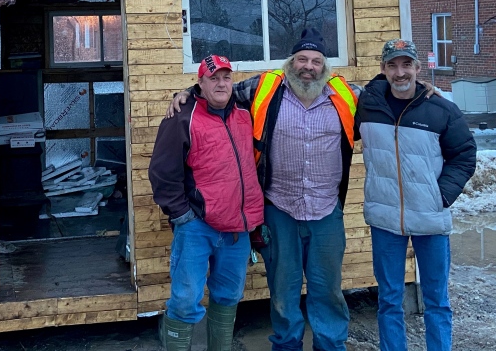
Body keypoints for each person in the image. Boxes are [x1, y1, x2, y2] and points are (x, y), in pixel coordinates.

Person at [169, 28, 359, 351]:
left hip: (327, 212)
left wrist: (420, 89)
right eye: (302, 59)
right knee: (283, 292)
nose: (308, 66)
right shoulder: (265, 88)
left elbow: (388, 101)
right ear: (291, 61)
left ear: (325, 66)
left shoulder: (348, 95)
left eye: (315, 60)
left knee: (327, 290)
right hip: (279, 210)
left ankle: (330, 346)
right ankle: (287, 346)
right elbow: (220, 90)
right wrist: (187, 93)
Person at [355, 39, 476, 351]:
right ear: (383, 69)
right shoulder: (367, 107)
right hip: (385, 219)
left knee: (436, 300)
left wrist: (441, 195)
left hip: (431, 219)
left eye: (406, 64)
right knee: (389, 299)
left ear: (418, 69)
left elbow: (464, 155)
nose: (400, 72)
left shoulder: (441, 110)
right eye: (392, 65)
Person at [148, 54, 265, 351]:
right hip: (196, 227)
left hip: (237, 228)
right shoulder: (183, 118)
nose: (221, 84)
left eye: (226, 77)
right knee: (186, 300)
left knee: (228, 296)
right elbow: (162, 172)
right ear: (201, 83)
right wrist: (182, 215)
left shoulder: (245, 112)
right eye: (213, 79)